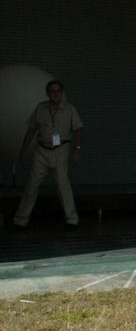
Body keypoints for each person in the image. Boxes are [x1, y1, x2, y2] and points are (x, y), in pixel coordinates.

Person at [13, 80, 83, 228]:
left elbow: (77, 129)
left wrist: (77, 148)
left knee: (63, 185)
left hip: (61, 150)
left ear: (62, 93)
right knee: (32, 185)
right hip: (41, 150)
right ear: (48, 93)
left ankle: (72, 220)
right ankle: (20, 220)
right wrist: (23, 151)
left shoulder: (69, 109)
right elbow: (31, 129)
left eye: (58, 91)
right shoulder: (41, 108)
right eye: (52, 91)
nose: (55, 94)